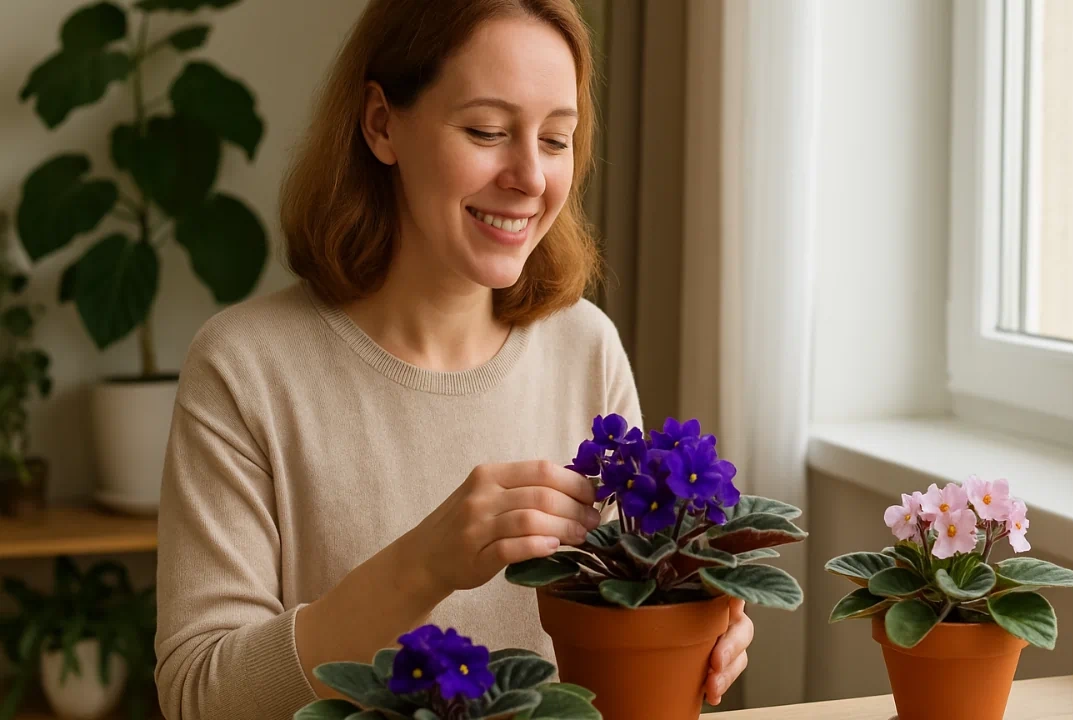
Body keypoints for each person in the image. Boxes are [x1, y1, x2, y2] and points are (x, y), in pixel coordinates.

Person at [152, 1, 752, 717]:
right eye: (487, 131)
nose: (530, 176)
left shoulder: (585, 346)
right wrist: (425, 564)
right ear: (382, 125)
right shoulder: (244, 367)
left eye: (557, 139)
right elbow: (199, 696)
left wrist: (688, 618)